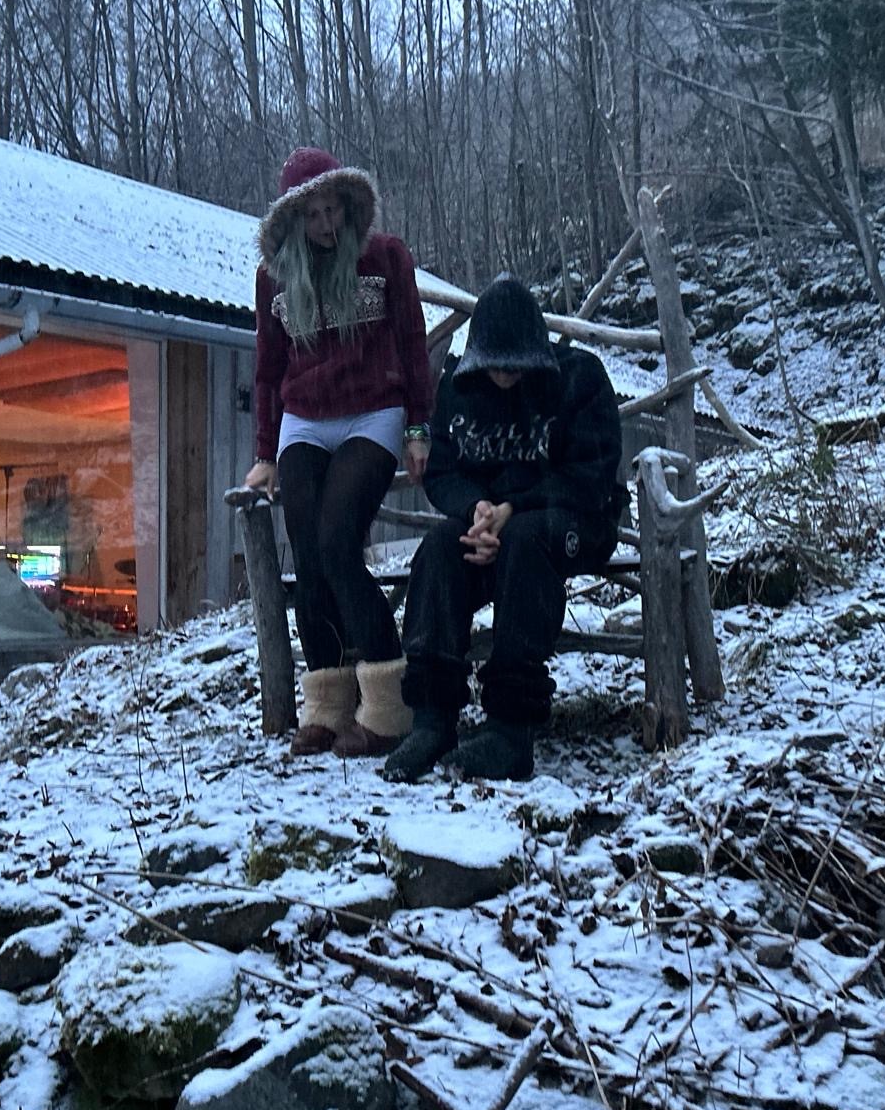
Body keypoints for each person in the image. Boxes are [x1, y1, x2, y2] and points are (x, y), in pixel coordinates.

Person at [383, 276, 624, 783]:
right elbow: (443, 470)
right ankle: (433, 718)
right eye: (495, 365)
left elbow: (591, 473)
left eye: (515, 366)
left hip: (573, 518)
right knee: (439, 549)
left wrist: (513, 509)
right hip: (489, 523)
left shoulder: (580, 379)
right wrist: (476, 509)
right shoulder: (459, 388)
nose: (505, 376)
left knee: (525, 540)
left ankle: (512, 728)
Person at [244, 147, 434, 757]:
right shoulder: (273, 279)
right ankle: (326, 701)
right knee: (307, 549)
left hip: (373, 411)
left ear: (348, 207)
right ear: (294, 221)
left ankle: (388, 703)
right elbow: (268, 371)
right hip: (303, 418)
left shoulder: (384, 258)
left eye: (333, 210)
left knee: (336, 541)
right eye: (313, 215)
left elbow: (412, 344)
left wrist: (417, 427)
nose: (326, 224)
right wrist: (266, 451)